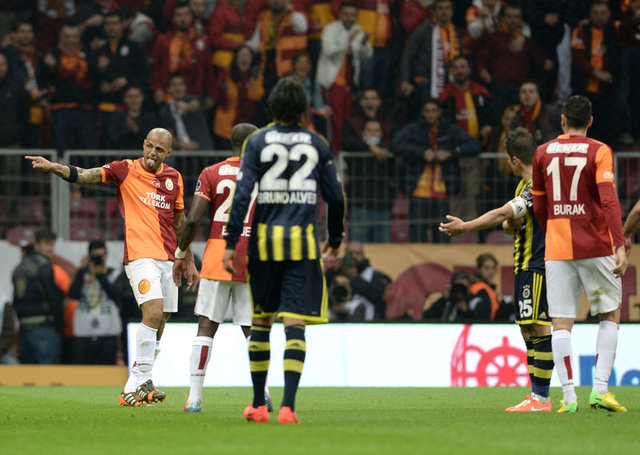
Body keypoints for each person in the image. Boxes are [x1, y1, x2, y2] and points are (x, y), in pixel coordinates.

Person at [25, 127, 199, 407]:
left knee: (162, 320)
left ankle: (138, 385)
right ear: (143, 144)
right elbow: (87, 174)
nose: (152, 153)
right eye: (149, 146)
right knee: (153, 312)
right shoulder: (125, 169)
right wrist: (54, 167)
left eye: (159, 149)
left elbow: (180, 223)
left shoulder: (174, 178)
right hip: (140, 256)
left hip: (169, 258)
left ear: (168, 152)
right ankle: (138, 383)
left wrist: (187, 260)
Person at [222, 78, 345, 424]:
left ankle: (258, 405)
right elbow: (336, 197)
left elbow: (243, 193)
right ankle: (288, 407)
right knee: (295, 323)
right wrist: (336, 236)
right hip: (302, 248)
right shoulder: (317, 143)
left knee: (261, 321)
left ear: (273, 106)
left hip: (263, 246)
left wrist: (231, 242)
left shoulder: (257, 141)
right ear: (303, 108)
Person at [439, 127, 553, 411]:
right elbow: (509, 222)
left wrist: (465, 226)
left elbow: (502, 212)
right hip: (523, 264)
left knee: (539, 326)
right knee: (527, 329)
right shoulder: (522, 187)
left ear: (514, 160)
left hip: (537, 264)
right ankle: (536, 395)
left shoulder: (537, 185)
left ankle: (542, 397)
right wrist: (510, 225)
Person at [531, 95, 627, 413]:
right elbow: (609, 201)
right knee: (609, 315)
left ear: (562, 120)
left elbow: (540, 206)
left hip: (558, 248)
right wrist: (619, 244)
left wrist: (553, 232)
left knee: (560, 322)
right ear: (590, 121)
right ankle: (599, 390)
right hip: (596, 246)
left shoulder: (542, 153)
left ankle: (569, 398)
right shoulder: (599, 151)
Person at [173, 123, 272, 413]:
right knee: (253, 329)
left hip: (218, 255)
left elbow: (193, 219)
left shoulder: (211, 173)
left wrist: (181, 253)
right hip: (252, 257)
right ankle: (263, 394)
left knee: (206, 328)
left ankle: (194, 399)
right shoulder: (264, 175)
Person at [390, 97, 481, 243]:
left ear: (439, 112)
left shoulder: (449, 129)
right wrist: (421, 153)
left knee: (443, 239)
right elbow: (395, 144)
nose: (430, 114)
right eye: (427, 111)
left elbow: (475, 145)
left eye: (433, 111)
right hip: (418, 191)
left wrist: (451, 153)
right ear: (422, 112)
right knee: (417, 239)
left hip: (442, 192)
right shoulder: (414, 129)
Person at [316, 1, 372, 151]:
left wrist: (364, 42)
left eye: (352, 15)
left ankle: (341, 153)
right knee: (333, 122)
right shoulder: (331, 29)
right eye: (346, 15)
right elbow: (329, 51)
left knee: (346, 121)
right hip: (332, 81)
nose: (349, 18)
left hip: (349, 83)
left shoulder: (357, 29)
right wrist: (348, 40)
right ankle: (332, 155)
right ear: (340, 15)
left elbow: (367, 54)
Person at [11, 230, 66, 364]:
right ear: (36, 245)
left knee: (28, 373)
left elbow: (16, 300)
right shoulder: (45, 268)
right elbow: (54, 299)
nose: (50, 248)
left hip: (24, 329)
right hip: (44, 328)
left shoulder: (18, 269)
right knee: (48, 373)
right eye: (47, 244)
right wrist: (60, 327)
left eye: (52, 244)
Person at [67, 240, 123, 365]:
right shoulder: (82, 273)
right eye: (95, 256)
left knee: (107, 370)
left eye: (102, 256)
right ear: (89, 256)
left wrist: (100, 275)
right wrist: (81, 271)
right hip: (83, 331)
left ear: (106, 255)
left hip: (107, 331)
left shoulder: (113, 273)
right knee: (83, 370)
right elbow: (72, 295)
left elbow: (117, 296)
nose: (99, 259)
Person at [509, 80, 561, 145]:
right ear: (519, 95)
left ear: (538, 95)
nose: (527, 95)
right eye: (524, 92)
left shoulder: (552, 112)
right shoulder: (516, 118)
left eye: (531, 91)